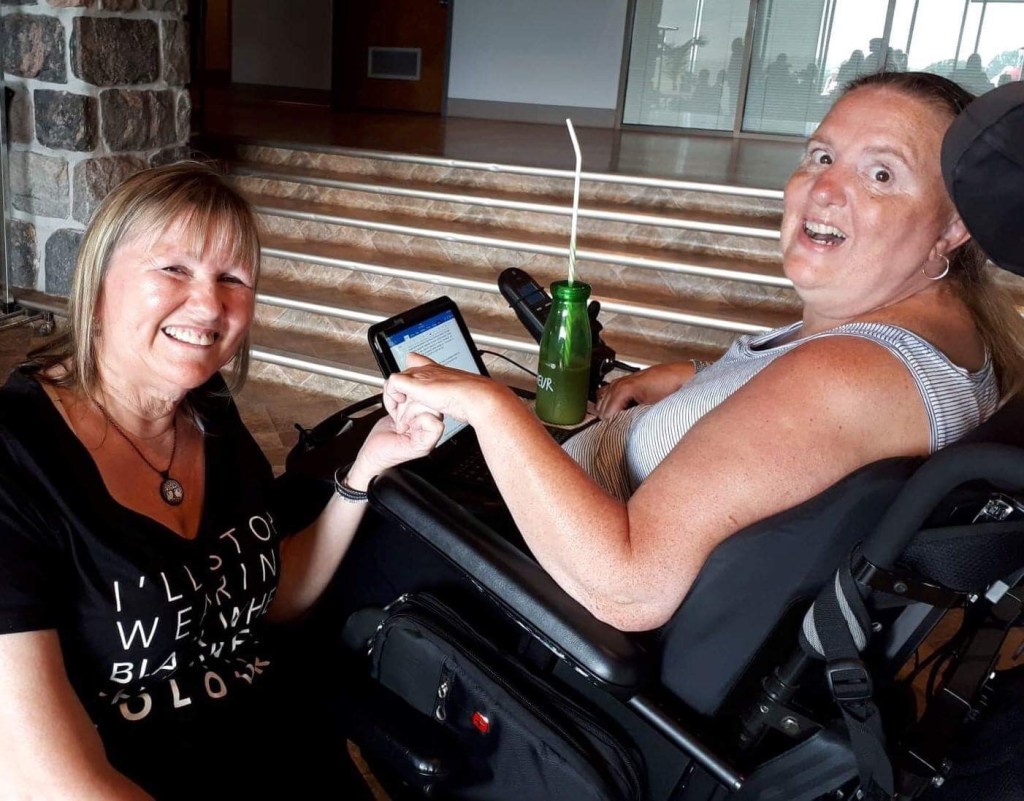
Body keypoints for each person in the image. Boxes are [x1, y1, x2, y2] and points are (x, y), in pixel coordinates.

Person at [381, 72, 1024, 633]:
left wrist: (491, 406)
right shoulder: (927, 331)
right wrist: (695, 377)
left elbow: (628, 587)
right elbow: (783, 426)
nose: (825, 190)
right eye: (822, 155)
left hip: (540, 601)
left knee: (369, 496)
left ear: (953, 227)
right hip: (557, 535)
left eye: (880, 174)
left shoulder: (849, 376)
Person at [0, 163, 443, 798]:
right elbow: (39, 775)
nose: (210, 306)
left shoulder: (207, 410)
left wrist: (363, 471)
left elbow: (268, 596)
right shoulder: (16, 456)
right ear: (97, 281)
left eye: (232, 278)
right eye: (173, 269)